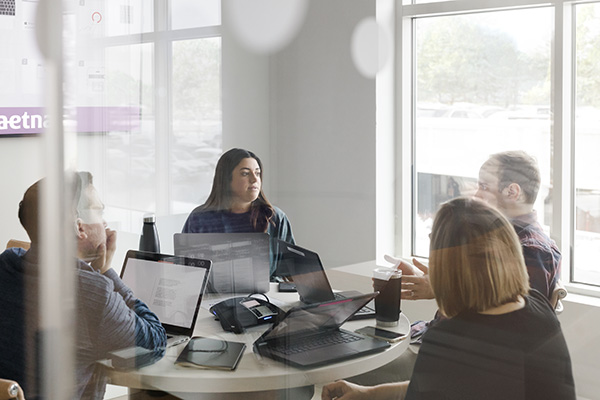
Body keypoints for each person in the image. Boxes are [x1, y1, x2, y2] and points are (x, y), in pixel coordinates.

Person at [322, 197, 576, 400]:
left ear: (445, 270)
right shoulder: (538, 306)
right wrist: (369, 394)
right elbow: (435, 387)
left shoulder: (450, 338)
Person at [0, 172, 167, 400]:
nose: (105, 222)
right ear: (79, 228)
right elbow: (155, 342)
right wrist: (107, 273)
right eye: (99, 212)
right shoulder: (91, 293)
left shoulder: (6, 263)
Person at [400, 150, 561, 302]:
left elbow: (515, 319)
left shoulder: (531, 251)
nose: (477, 195)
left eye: (484, 187)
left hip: (457, 331)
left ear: (512, 192)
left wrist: (441, 288)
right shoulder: (499, 238)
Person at [182, 148, 295, 279]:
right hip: (212, 298)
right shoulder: (199, 218)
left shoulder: (274, 217)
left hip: (265, 297)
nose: (254, 179)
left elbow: (290, 274)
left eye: (257, 173)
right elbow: (186, 271)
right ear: (226, 179)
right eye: (245, 174)